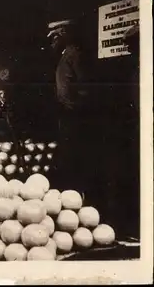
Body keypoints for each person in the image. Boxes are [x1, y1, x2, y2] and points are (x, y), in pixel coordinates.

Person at [46, 19, 93, 196]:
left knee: (72, 155)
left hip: (74, 115)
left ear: (65, 34)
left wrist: (76, 107)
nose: (53, 41)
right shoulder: (65, 54)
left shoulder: (74, 54)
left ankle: (75, 194)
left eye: (56, 36)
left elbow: (84, 86)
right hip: (66, 114)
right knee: (66, 154)